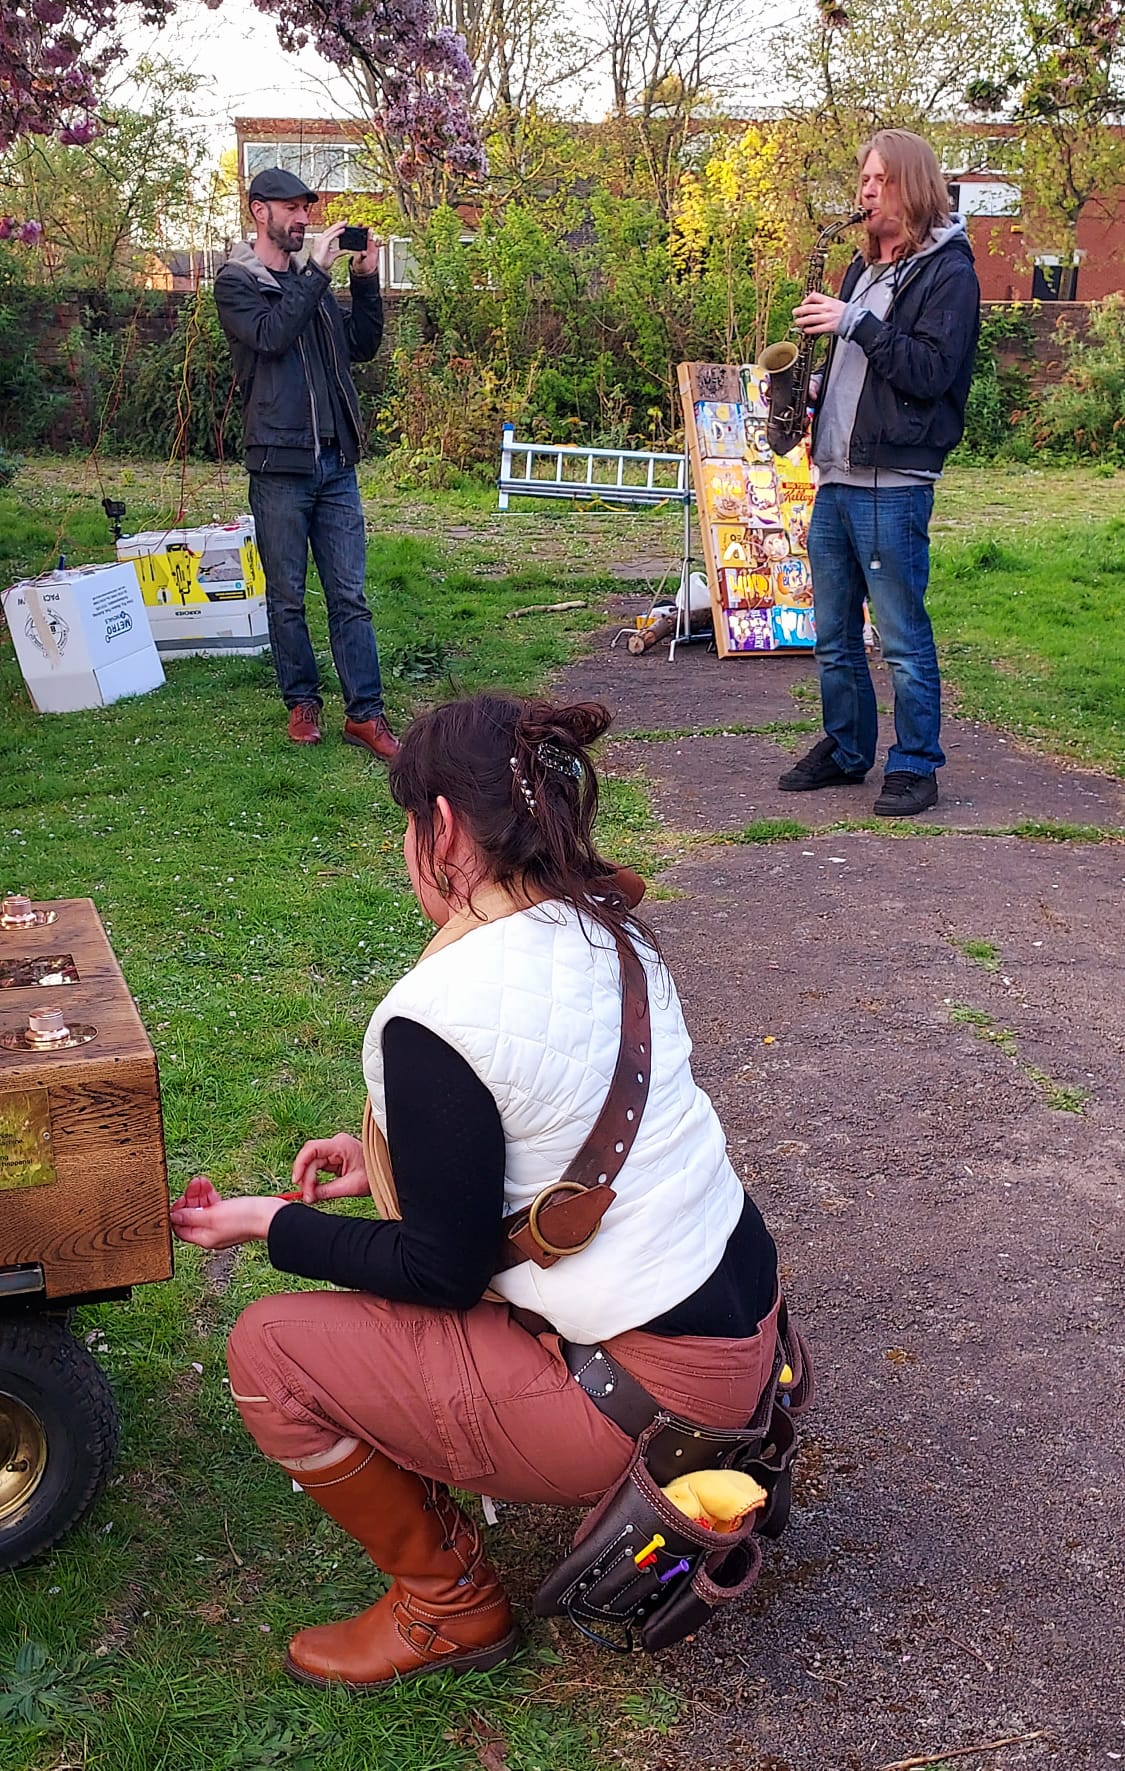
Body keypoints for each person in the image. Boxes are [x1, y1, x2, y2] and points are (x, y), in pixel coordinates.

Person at [170, 692, 790, 1692]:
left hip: (652, 1398)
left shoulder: (437, 1011)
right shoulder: (614, 930)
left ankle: (448, 1605)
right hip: (743, 1345)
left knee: (269, 1350)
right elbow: (543, 1115)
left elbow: (444, 1270)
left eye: (409, 824)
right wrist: (384, 1150)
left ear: (444, 828)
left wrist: (267, 1223)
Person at [778, 128, 980, 817]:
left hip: (893, 482)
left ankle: (915, 763)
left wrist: (854, 323)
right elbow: (862, 365)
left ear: (914, 185)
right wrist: (813, 388)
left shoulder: (948, 272)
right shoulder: (859, 269)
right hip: (835, 473)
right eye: (862, 179)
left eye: (878, 179)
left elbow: (928, 371)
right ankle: (845, 748)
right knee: (832, 635)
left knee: (898, 636)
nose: (865, 191)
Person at [214, 167, 398, 761]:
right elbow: (270, 336)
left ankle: (365, 715)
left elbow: (359, 348)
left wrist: (365, 284)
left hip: (335, 462)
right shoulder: (237, 282)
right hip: (278, 465)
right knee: (287, 596)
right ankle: (302, 702)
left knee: (350, 593)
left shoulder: (308, 285)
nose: (302, 219)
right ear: (258, 211)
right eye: (290, 208)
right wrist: (317, 274)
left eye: (306, 210)